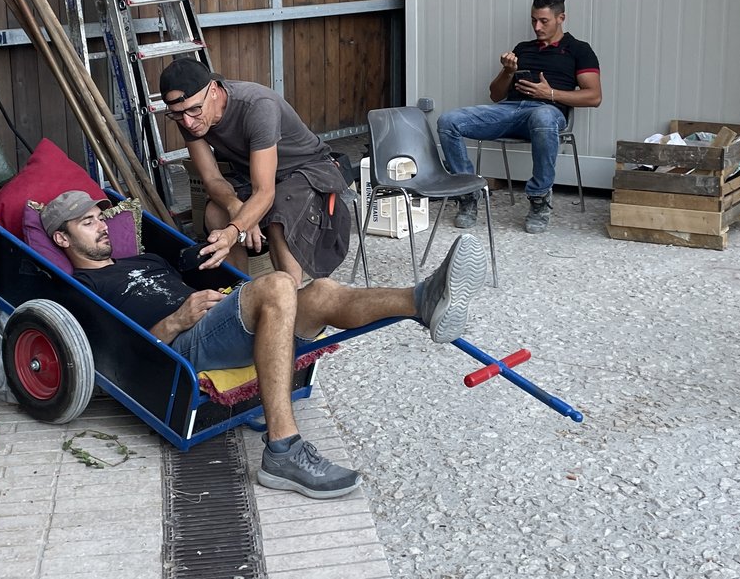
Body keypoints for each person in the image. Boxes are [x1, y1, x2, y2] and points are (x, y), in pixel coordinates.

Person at [40, 190, 490, 500]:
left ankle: (422, 300)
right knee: (276, 283)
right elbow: (128, 349)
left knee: (322, 292)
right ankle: (282, 450)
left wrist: (222, 248)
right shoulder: (81, 288)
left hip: (211, 321)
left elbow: (200, 265)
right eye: (87, 223)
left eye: (101, 217)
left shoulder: (145, 257)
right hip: (181, 348)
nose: (102, 227)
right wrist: (178, 317)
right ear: (62, 239)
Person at [159, 58, 350, 288]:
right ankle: (240, 293)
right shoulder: (188, 113)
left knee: (279, 213)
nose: (188, 122)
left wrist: (235, 229)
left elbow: (265, 192)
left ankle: (293, 296)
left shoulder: (258, 106)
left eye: (194, 110)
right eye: (177, 114)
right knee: (214, 213)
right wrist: (236, 209)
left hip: (307, 168)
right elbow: (212, 179)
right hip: (254, 175)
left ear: (212, 90)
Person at [436, 0, 602, 234]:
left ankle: (539, 200)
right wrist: (508, 71)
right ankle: (468, 194)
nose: (537, 27)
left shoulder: (579, 49)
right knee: (448, 120)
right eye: (534, 20)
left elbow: (594, 96)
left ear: (561, 18)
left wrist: (550, 95)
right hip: (510, 110)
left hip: (547, 113)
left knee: (543, 114)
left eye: (544, 21)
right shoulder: (523, 48)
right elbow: (495, 95)